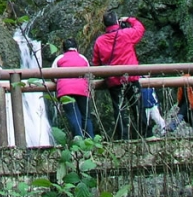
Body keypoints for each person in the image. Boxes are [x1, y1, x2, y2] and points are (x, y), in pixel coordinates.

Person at [92, 11, 145, 140]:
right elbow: (140, 29)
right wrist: (129, 19)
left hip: (113, 81)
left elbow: (96, 63)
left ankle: (123, 137)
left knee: (119, 109)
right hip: (131, 77)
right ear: (117, 22)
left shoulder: (100, 41)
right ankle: (144, 134)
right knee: (137, 106)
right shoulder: (126, 34)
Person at [54, 38, 94, 138]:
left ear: (64, 49)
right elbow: (88, 73)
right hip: (82, 89)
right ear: (77, 48)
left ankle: (79, 140)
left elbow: (53, 75)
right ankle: (91, 140)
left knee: (73, 115)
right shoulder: (82, 58)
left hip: (65, 90)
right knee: (86, 116)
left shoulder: (59, 59)